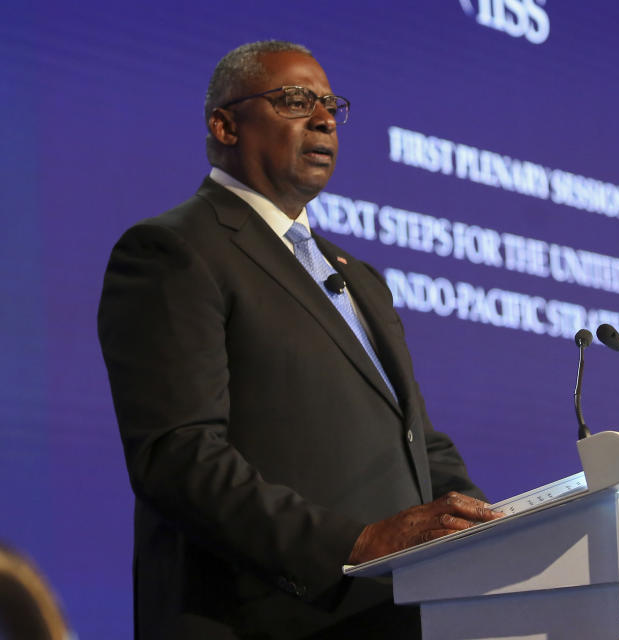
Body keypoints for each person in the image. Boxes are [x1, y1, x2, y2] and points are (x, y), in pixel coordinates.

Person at [97, 40, 499, 639]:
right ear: (224, 125)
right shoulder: (174, 250)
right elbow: (178, 456)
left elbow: (416, 440)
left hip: (394, 617)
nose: (324, 118)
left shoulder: (359, 277)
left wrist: (493, 527)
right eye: (294, 100)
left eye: (330, 104)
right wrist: (355, 543)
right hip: (261, 617)